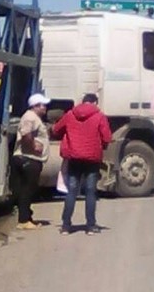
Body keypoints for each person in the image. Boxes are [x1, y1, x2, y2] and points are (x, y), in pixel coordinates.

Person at [53, 93, 112, 235]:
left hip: (74, 158)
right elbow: (107, 137)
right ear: (95, 103)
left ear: (83, 102)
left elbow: (56, 130)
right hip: (92, 159)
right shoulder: (99, 116)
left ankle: (66, 226)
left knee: (72, 191)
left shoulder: (70, 114)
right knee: (90, 191)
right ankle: (91, 226)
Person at [12, 93, 51, 230]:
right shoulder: (29, 117)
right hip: (28, 159)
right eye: (42, 105)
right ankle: (23, 221)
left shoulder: (34, 118)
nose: (45, 108)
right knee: (27, 190)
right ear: (35, 106)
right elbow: (25, 134)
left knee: (28, 190)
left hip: (30, 158)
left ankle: (27, 217)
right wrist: (34, 145)